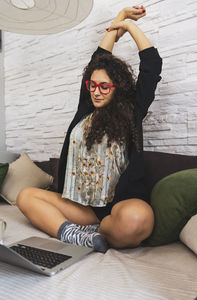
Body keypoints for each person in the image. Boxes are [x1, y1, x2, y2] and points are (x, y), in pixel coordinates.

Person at [17, 5, 162, 253]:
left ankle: (100, 231)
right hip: (83, 209)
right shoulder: (85, 110)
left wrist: (126, 25)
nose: (96, 91)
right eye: (92, 85)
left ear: (118, 88)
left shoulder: (132, 110)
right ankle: (75, 234)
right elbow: (98, 59)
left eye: (104, 87)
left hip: (117, 207)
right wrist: (117, 19)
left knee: (138, 219)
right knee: (25, 196)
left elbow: (152, 64)